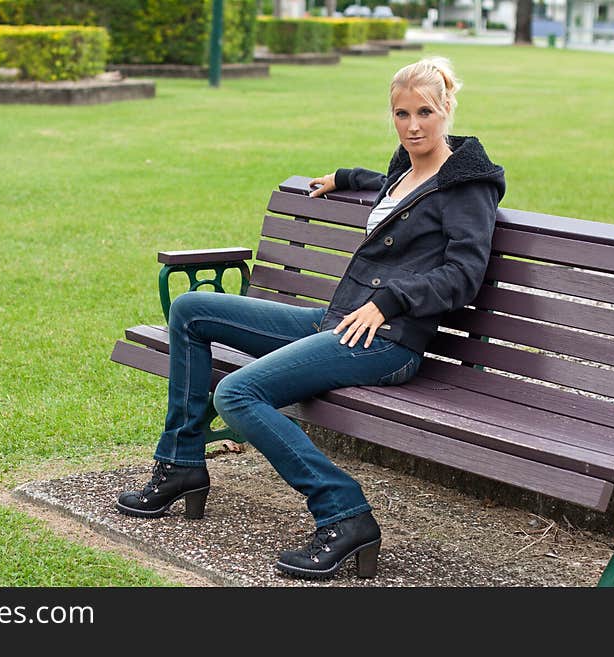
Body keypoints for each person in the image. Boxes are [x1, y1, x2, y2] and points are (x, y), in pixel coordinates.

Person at [116, 57, 506, 580]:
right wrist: (345, 177)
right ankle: (182, 462)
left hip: (387, 340)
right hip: (341, 320)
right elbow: (397, 189)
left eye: (426, 113)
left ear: (448, 108)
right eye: (401, 114)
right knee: (191, 311)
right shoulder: (410, 168)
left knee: (236, 394)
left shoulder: (468, 185)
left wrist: (390, 299)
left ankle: (344, 513)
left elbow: (464, 274)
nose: (413, 126)